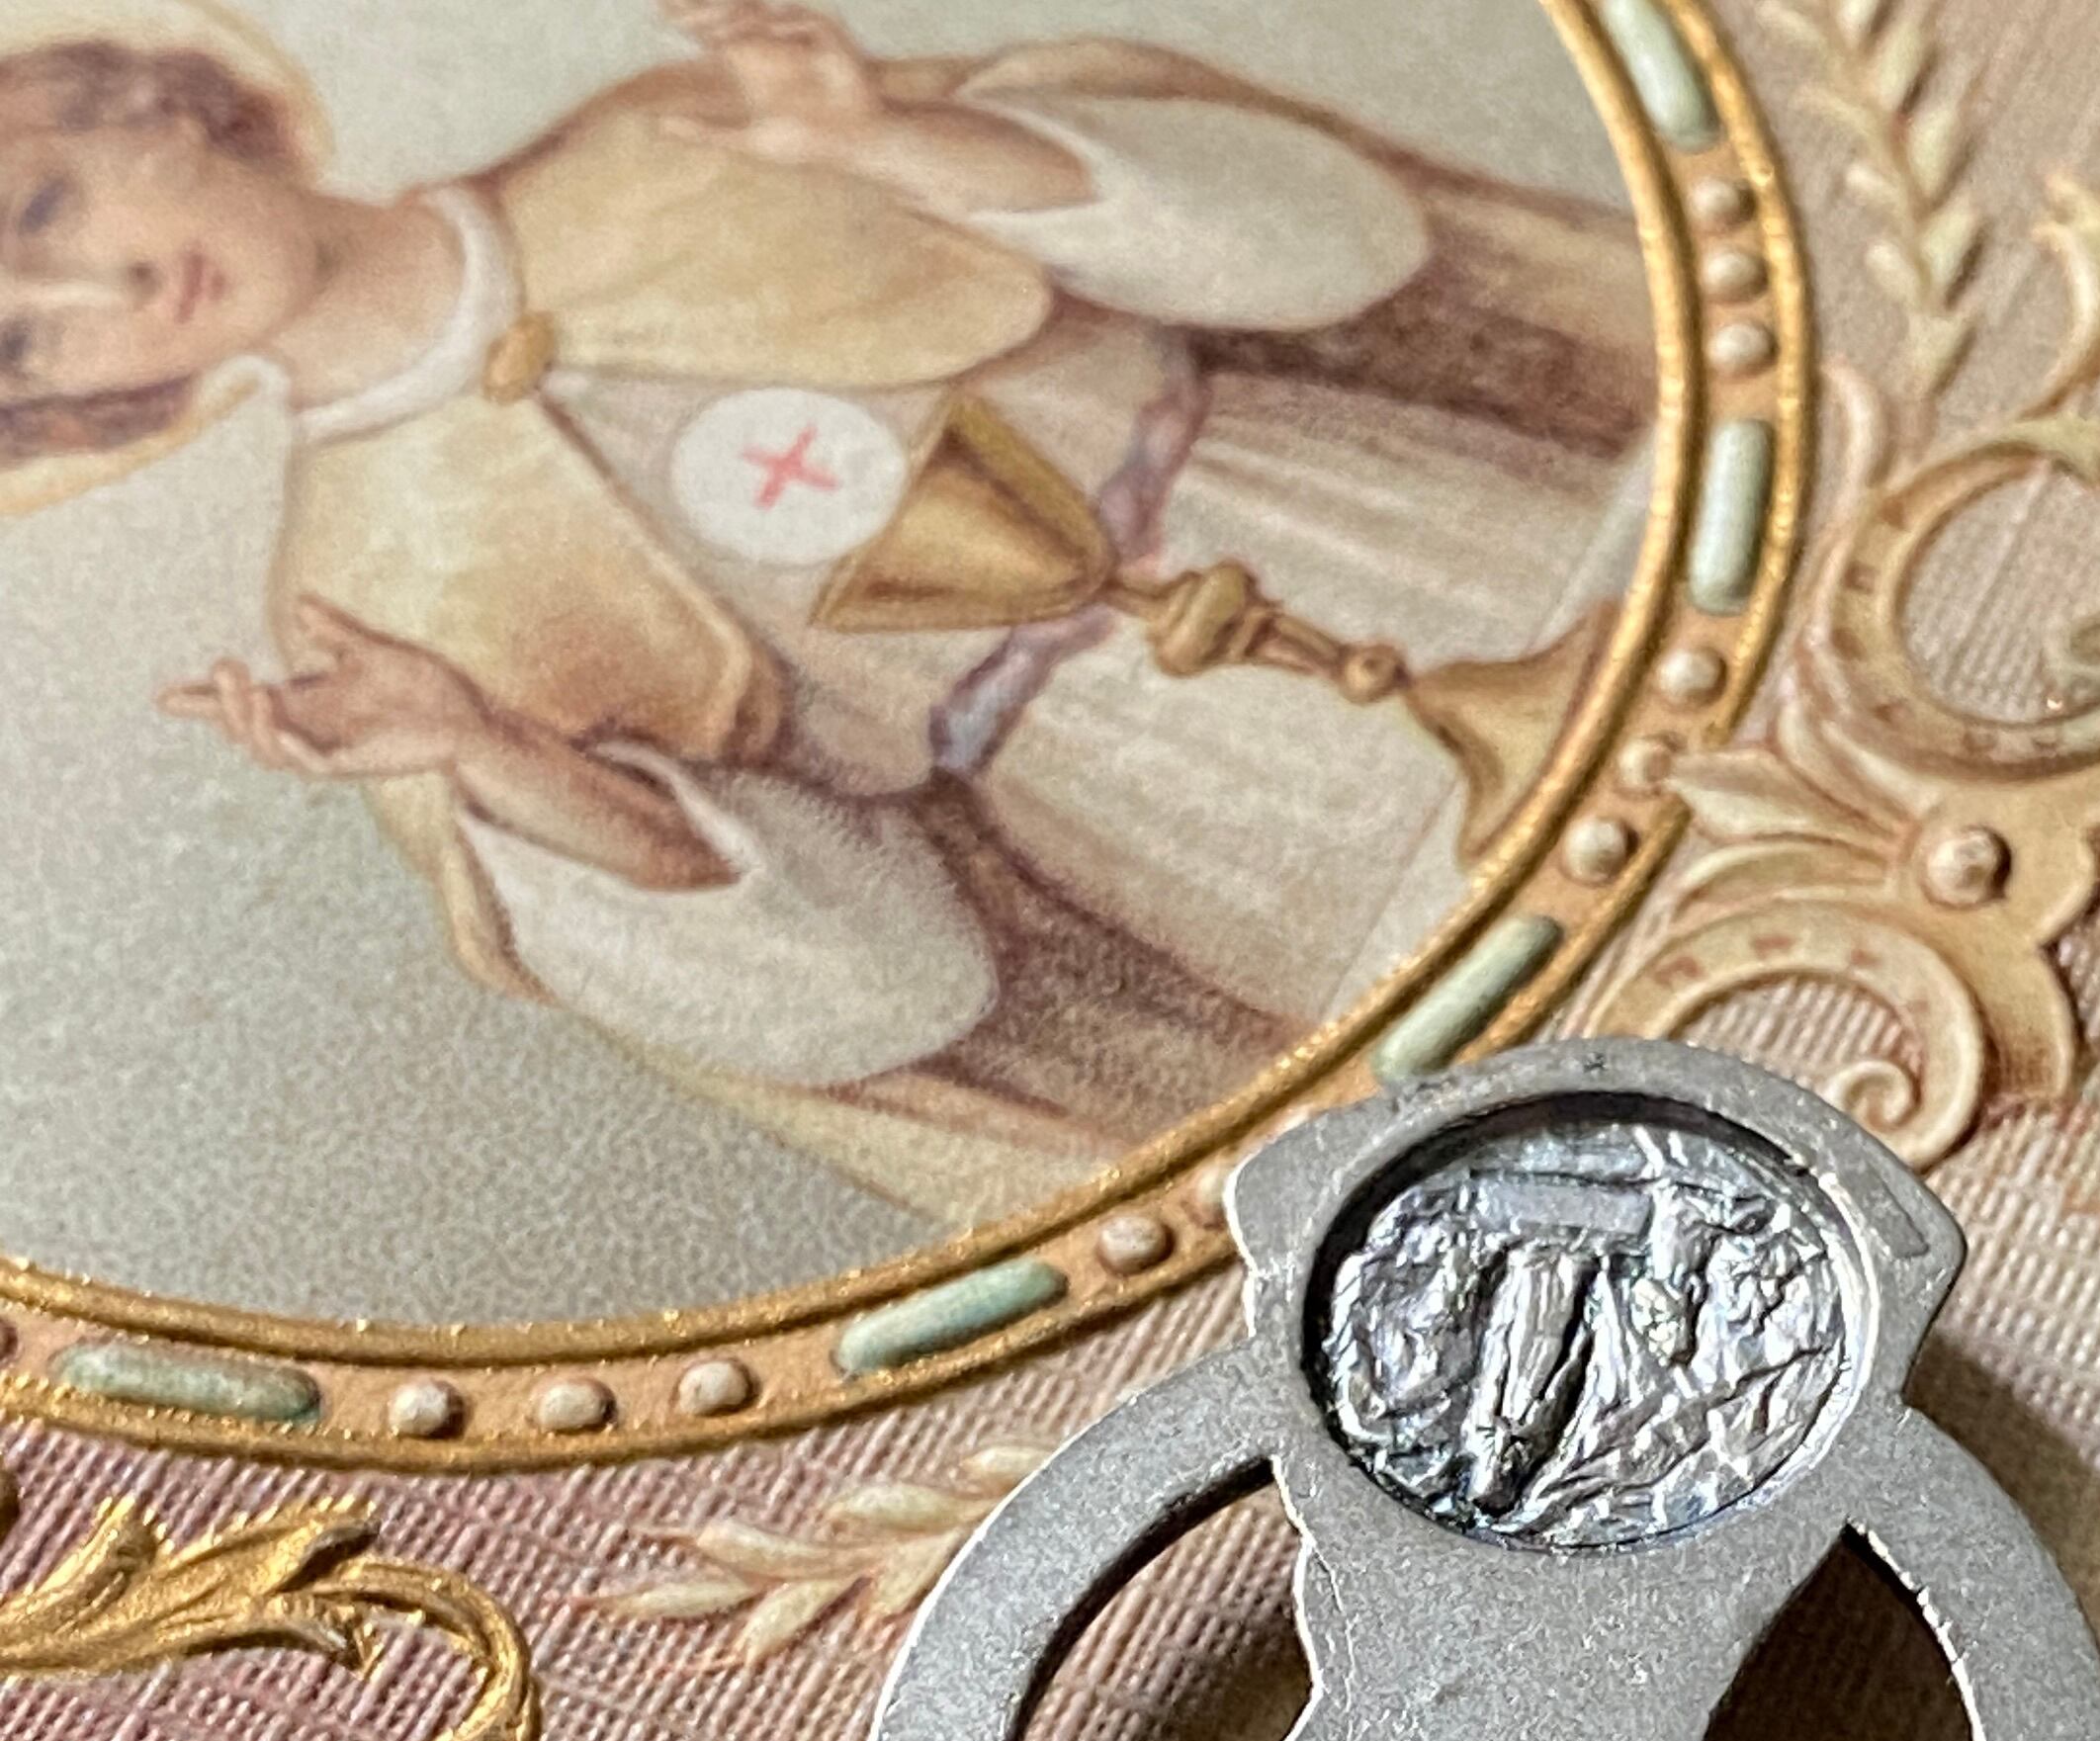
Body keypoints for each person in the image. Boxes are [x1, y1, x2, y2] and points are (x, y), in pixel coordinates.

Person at [0, 2, 1652, 1223]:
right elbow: (885, 988)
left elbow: (1340, 245)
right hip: (1194, 820)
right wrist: (494, 754)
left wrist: (890, 143)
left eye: (43, 213)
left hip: (1378, 521)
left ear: (146, 108)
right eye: (22, 341)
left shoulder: (661, 141)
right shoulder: (357, 598)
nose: (109, 294)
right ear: (55, 408)